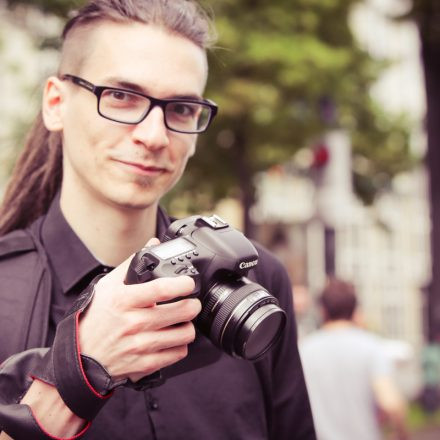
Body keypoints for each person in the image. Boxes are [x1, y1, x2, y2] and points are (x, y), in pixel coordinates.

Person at [0, 1, 316, 439]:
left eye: (182, 108)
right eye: (121, 96)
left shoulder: (256, 281)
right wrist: (80, 367)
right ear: (56, 103)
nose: (153, 136)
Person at [299, 277, 408, 440]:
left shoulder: (304, 349)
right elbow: (391, 404)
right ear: (354, 310)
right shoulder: (372, 347)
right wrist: (401, 435)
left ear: (323, 310)